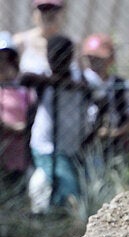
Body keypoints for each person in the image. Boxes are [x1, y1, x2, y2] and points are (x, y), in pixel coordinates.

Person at [20, 35, 94, 214]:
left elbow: (92, 91)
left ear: (70, 57)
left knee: (57, 185)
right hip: (45, 145)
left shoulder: (81, 76)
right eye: (52, 56)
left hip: (72, 147)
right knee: (68, 188)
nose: (56, 61)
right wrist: (55, 82)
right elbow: (24, 78)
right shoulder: (43, 75)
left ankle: (51, 218)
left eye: (62, 56)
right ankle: (72, 223)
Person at [81, 33, 129, 160]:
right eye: (90, 58)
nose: (94, 63)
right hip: (84, 144)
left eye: (99, 58)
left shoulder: (122, 85)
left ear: (111, 59)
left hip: (115, 145)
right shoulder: (81, 82)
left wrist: (112, 133)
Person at [1, 32, 35, 189]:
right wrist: (12, 127)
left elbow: (33, 110)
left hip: (23, 148)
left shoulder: (23, 86)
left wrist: (26, 127)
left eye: (6, 58)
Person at [13, 0, 68, 75]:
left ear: (62, 13)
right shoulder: (20, 42)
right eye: (43, 9)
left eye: (53, 9)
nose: (48, 14)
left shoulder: (71, 45)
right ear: (34, 12)